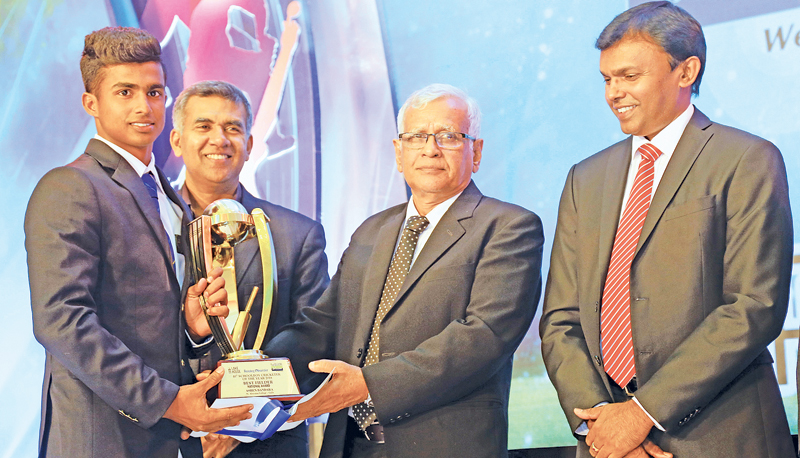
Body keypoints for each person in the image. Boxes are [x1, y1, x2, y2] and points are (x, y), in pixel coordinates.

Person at [539, 3, 795, 458]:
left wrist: (640, 415)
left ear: (686, 71)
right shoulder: (586, 177)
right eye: (606, 79)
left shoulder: (746, 159)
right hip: (608, 444)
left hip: (721, 437)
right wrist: (605, 424)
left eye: (629, 76)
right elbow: (562, 320)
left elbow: (753, 306)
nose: (614, 92)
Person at [262, 83, 543, 457]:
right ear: (398, 152)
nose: (430, 149)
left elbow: (483, 337)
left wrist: (369, 385)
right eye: (416, 137)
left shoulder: (509, 226)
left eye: (448, 136)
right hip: (351, 445)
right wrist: (255, 372)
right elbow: (325, 325)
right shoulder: (372, 231)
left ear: (475, 151)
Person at [25, 27, 253, 458]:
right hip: (100, 439)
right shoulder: (70, 186)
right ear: (91, 103)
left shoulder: (170, 197)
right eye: (124, 92)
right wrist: (166, 400)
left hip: (165, 440)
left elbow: (152, 320)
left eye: (154, 92)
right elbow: (61, 321)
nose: (143, 107)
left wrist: (193, 327)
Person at [169, 80, 330, 457]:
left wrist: (239, 417)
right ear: (177, 141)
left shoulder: (298, 234)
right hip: (168, 435)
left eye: (233, 128)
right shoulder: (145, 228)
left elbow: (315, 334)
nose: (219, 139)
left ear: (250, 145)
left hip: (268, 440)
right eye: (204, 126)